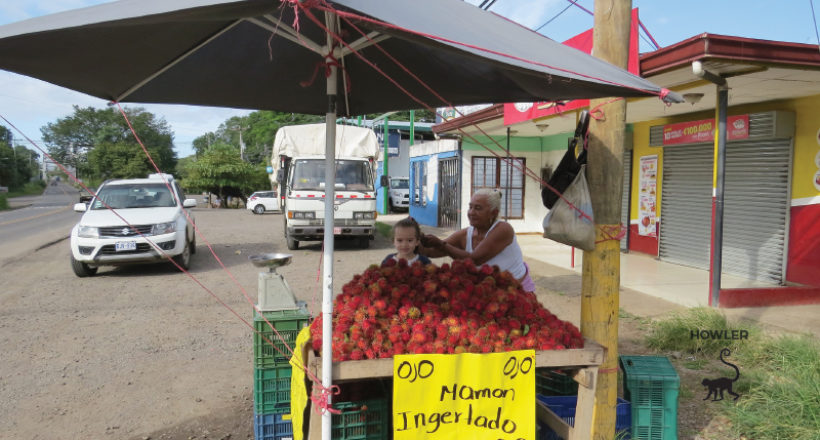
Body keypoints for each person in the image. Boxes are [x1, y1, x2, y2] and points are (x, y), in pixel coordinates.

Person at [421, 188, 536, 292]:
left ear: (493, 212)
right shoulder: (466, 234)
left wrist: (442, 245)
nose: (471, 212)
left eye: (478, 208)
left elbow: (474, 260)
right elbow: (433, 251)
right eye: (470, 207)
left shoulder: (503, 229)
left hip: (519, 291)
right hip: (491, 294)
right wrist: (416, 239)